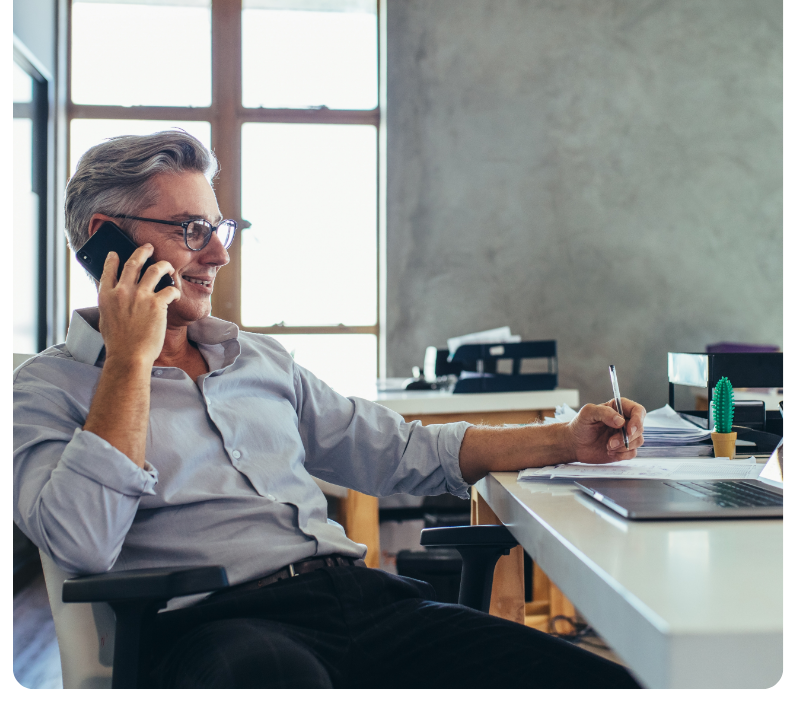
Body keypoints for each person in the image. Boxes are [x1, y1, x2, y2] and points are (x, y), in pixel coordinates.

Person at [13, 130, 645, 688]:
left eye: (221, 229)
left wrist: (568, 439)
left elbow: (405, 452)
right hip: (217, 629)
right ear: (107, 241)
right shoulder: (47, 390)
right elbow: (83, 544)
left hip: (364, 604)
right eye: (192, 231)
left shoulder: (257, 361)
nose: (219, 255)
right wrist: (128, 361)